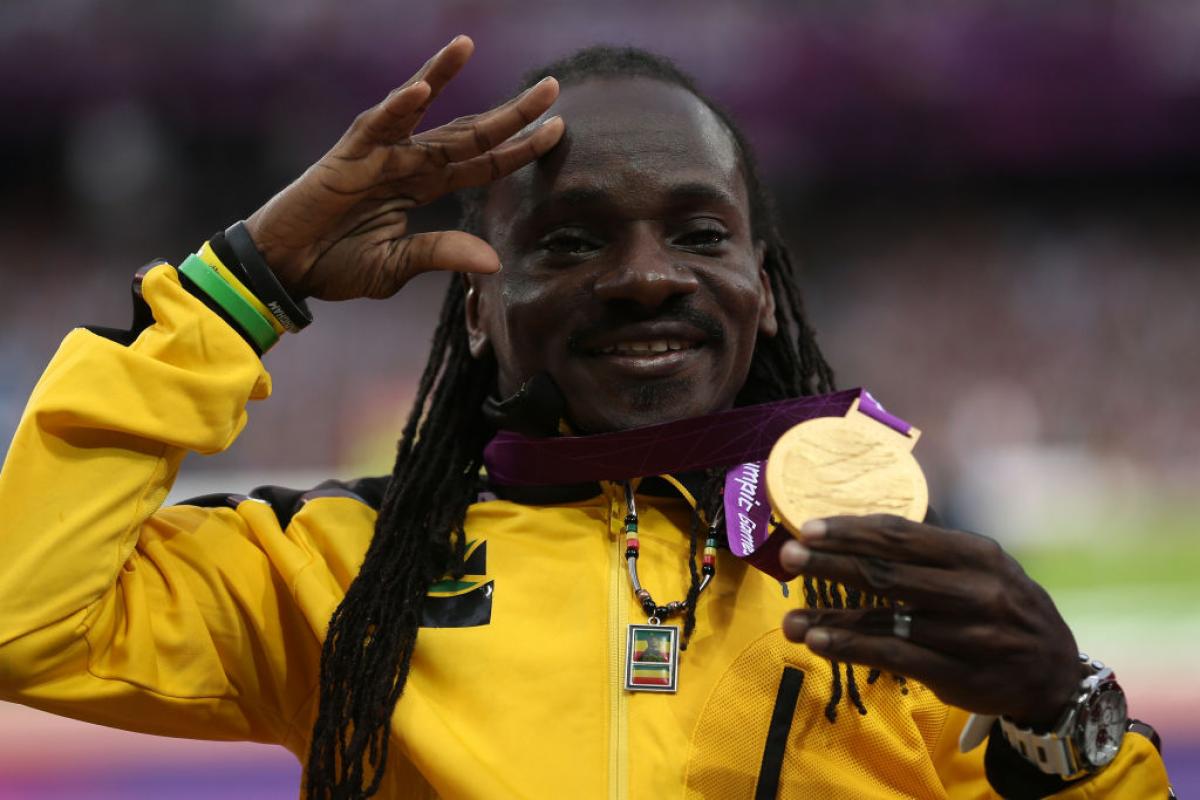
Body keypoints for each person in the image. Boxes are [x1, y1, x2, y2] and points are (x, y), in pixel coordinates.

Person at [0, 35, 1172, 799]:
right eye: (568, 239)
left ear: (763, 292)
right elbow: (21, 617)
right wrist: (246, 280)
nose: (647, 275)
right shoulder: (336, 573)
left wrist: (1060, 718)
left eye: (700, 233)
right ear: (475, 314)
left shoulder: (887, 589)